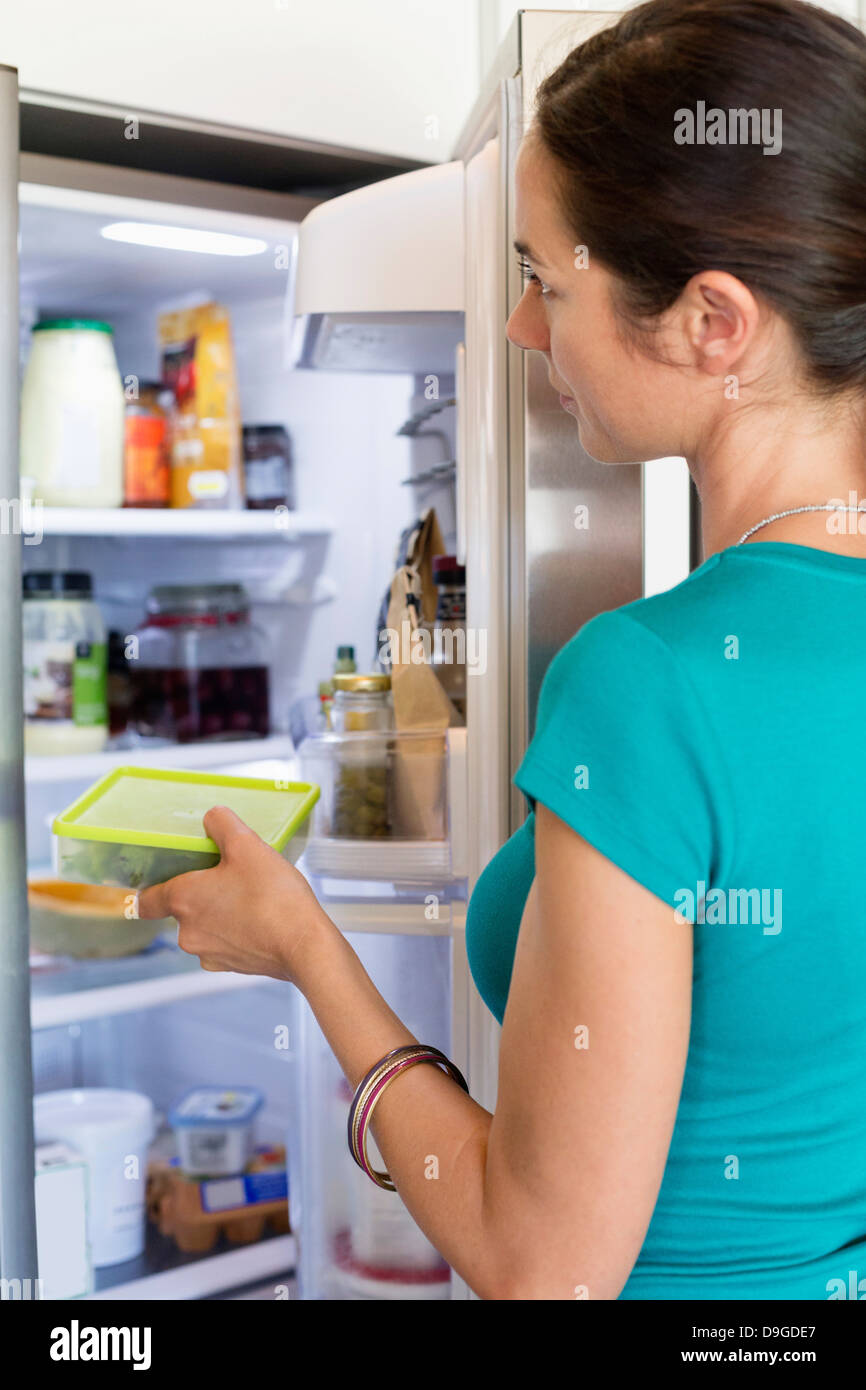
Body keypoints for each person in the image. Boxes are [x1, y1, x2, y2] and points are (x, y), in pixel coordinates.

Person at [138, 0, 866, 1298]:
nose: (524, 331)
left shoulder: (650, 682)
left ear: (713, 321)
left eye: (544, 277)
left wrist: (303, 942)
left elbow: (541, 1261)